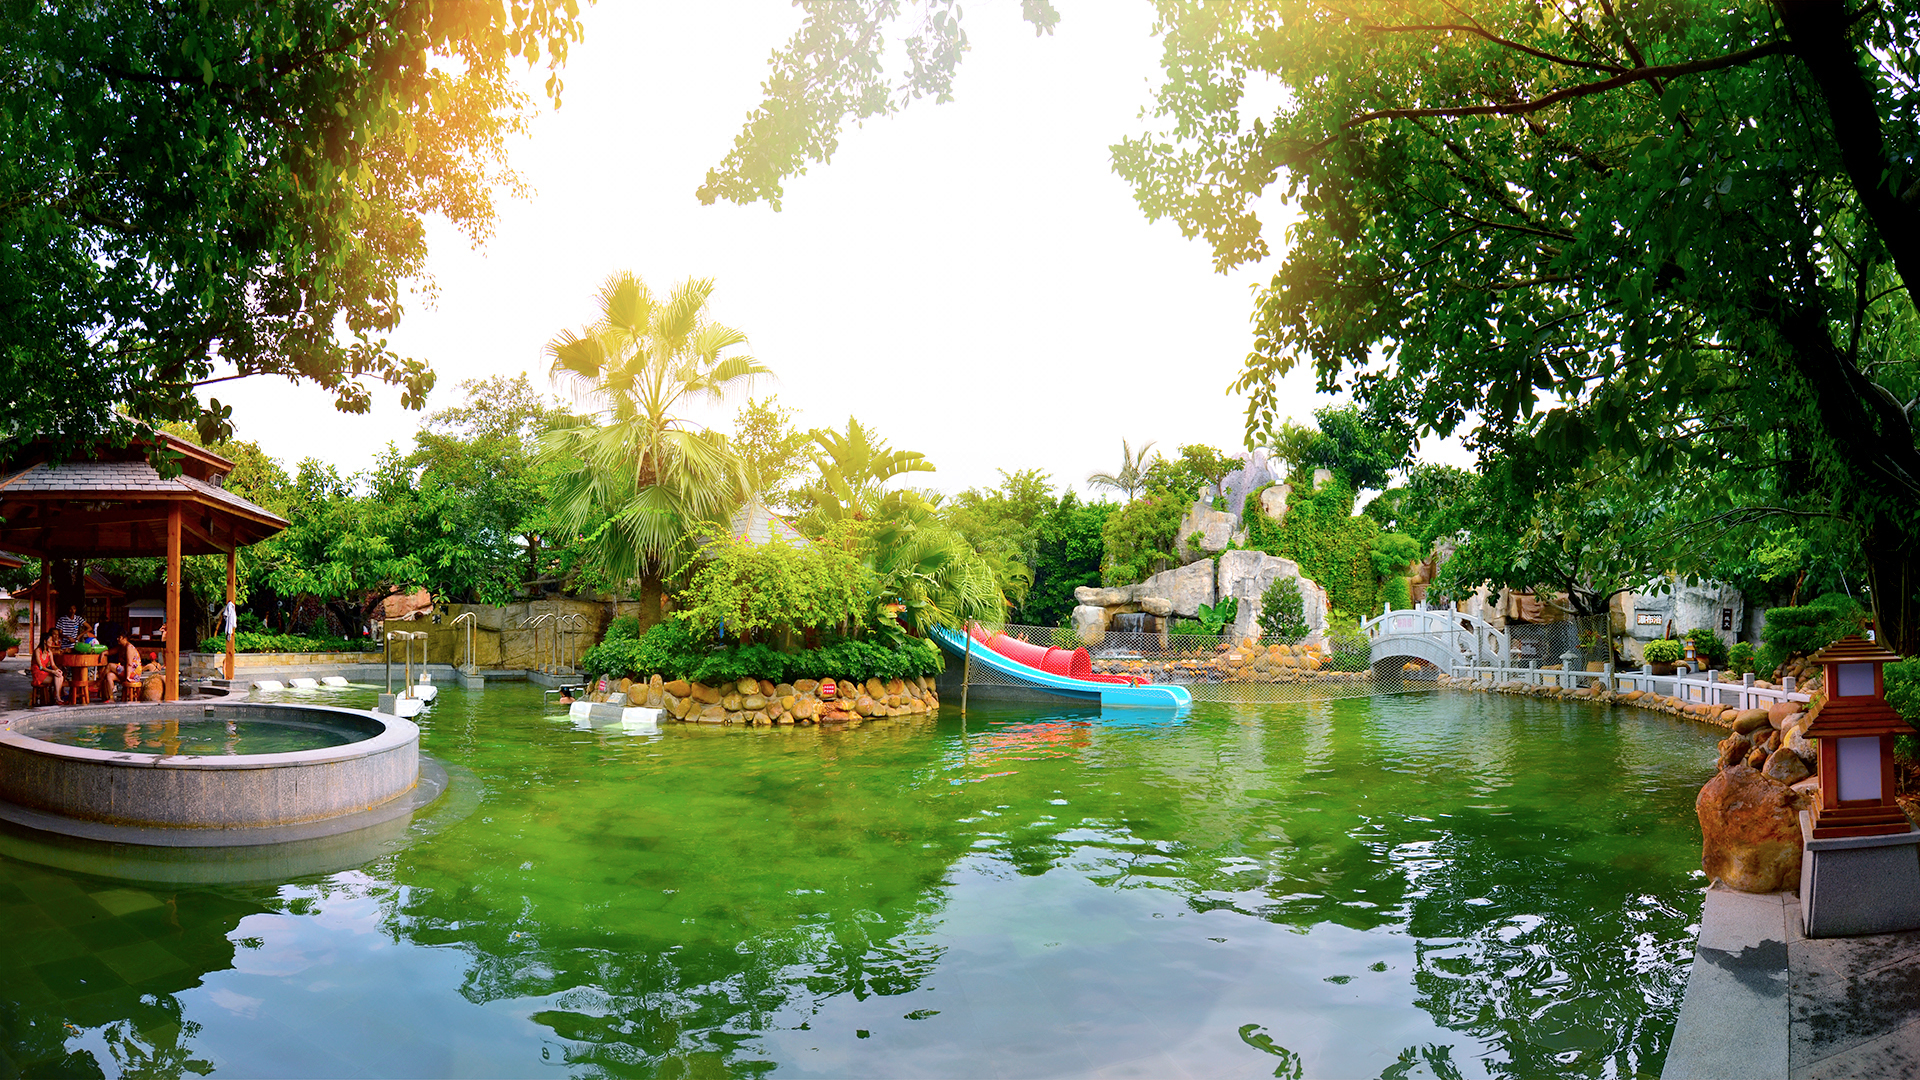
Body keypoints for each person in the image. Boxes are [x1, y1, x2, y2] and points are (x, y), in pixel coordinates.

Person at [31, 630, 66, 705]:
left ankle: (57, 697)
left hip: (45, 672)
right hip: (38, 673)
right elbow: (40, 667)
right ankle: (58, 698)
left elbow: (53, 665)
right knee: (57, 677)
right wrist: (53, 672)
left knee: (60, 676)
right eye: (50, 640)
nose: (51, 642)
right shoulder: (37, 651)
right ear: (44, 641)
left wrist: (57, 670)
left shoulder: (49, 652)